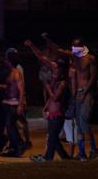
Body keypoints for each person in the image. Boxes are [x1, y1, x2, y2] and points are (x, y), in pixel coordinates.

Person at [42, 33, 97, 161]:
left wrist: (85, 92)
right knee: (79, 123)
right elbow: (59, 50)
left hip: (86, 92)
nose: (74, 49)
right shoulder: (74, 57)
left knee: (84, 123)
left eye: (76, 47)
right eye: (73, 47)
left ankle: (93, 150)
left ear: (82, 47)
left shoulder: (90, 59)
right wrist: (47, 39)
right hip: (77, 93)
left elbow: (93, 77)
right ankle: (82, 152)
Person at [25, 40, 71, 162]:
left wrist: (47, 86)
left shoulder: (62, 83)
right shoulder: (56, 79)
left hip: (58, 115)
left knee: (52, 137)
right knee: (53, 138)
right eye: (54, 67)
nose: (54, 70)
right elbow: (41, 57)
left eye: (57, 68)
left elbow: (55, 97)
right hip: (52, 114)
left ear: (62, 70)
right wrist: (31, 45)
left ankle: (48, 157)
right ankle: (65, 157)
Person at [0, 51, 25, 157]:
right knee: (9, 126)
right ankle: (15, 147)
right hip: (9, 102)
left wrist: (21, 104)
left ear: (10, 61)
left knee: (9, 125)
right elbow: (11, 87)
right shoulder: (11, 72)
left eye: (7, 60)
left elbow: (21, 89)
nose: (5, 61)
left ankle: (20, 145)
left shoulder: (16, 73)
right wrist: (1, 86)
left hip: (15, 103)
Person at [5, 48, 32, 150]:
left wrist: (22, 102)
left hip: (17, 100)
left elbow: (20, 86)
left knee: (19, 121)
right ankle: (15, 142)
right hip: (15, 99)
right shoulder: (13, 69)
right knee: (13, 122)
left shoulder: (17, 69)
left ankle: (24, 142)